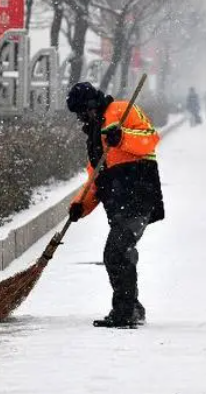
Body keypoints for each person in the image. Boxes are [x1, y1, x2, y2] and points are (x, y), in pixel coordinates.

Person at [66, 82, 164, 329]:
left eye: (82, 111)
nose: (80, 117)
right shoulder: (94, 135)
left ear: (92, 104)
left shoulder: (121, 111)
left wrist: (122, 138)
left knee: (116, 252)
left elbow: (150, 139)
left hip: (139, 195)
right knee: (119, 253)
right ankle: (132, 307)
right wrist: (81, 205)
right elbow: (95, 179)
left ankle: (125, 312)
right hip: (118, 203)